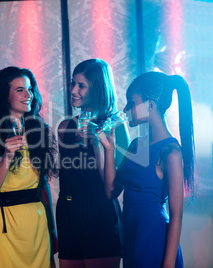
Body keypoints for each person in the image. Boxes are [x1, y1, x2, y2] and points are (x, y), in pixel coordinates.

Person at [98, 71, 194, 268]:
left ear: (150, 105)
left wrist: (167, 265)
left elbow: (176, 215)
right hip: (132, 235)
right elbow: (111, 191)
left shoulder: (171, 152)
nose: (125, 109)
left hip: (153, 236)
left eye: (131, 103)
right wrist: (108, 149)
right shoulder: (136, 145)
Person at [0, 66, 58, 267]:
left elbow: (43, 185)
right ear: (5, 95)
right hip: (3, 223)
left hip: (36, 222)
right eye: (20, 90)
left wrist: (52, 227)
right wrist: (7, 155)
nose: (28, 95)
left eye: (29, 89)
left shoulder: (37, 129)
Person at [57, 59, 130, 268]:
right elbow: (68, 178)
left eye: (81, 85)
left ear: (97, 88)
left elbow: (112, 190)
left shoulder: (115, 127)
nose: (73, 90)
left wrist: (96, 143)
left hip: (99, 215)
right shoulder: (64, 127)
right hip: (68, 213)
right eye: (73, 83)